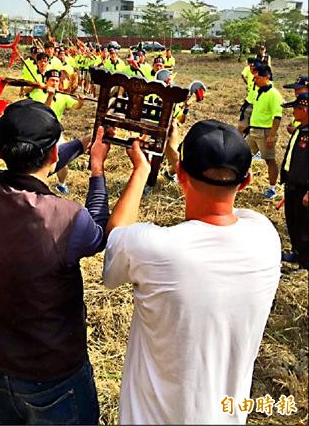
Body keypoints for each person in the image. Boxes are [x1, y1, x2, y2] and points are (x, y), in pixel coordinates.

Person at [103, 119, 281, 425]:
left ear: (181, 175)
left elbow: (116, 236)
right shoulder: (265, 236)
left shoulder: (154, 249)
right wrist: (178, 160)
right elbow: (221, 210)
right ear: (247, 181)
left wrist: (141, 171)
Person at [0, 99, 111, 425]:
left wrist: (83, 146)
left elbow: (35, 163)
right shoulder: (65, 217)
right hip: (53, 377)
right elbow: (99, 231)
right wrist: (97, 170)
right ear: (53, 154)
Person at [30, 69, 84, 195]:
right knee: (37, 161)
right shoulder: (37, 93)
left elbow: (75, 106)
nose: (54, 83)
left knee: (62, 159)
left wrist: (81, 101)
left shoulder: (62, 95)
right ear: (46, 81)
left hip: (56, 131)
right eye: (52, 80)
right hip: (39, 131)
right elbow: (44, 111)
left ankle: (61, 184)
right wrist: (50, 95)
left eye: (57, 81)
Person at [280, 92, 308, 270]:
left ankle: (306, 263)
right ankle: (298, 253)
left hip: (304, 189)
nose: (293, 113)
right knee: (293, 223)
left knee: (305, 228)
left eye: (296, 109)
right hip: (292, 185)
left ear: (304, 109)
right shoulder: (300, 129)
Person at [246, 64, 283, 200]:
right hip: (254, 130)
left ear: (267, 78)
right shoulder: (259, 91)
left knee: (269, 160)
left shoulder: (274, 95)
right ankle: (244, 178)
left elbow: (277, 117)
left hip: (265, 132)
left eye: (258, 78)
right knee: (244, 154)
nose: (255, 80)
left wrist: (271, 135)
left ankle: (272, 189)